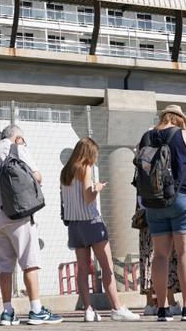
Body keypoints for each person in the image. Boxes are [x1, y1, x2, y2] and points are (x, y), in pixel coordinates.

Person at [0, 125, 63, 326]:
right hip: (19, 217)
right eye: (23, 139)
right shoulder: (17, 149)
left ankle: (7, 312)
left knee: (5, 267)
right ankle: (35, 310)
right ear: (17, 138)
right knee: (30, 264)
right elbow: (37, 176)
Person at [138, 105, 186, 322]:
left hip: (154, 201)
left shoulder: (146, 137)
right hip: (182, 197)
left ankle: (162, 308)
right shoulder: (184, 135)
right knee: (185, 253)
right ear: (180, 120)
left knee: (160, 255)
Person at [59, 138, 140, 321]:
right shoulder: (85, 168)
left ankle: (88, 309)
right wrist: (98, 188)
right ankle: (117, 308)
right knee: (107, 267)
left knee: (82, 269)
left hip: (74, 224)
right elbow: (88, 197)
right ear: (89, 153)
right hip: (91, 222)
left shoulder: (65, 172)